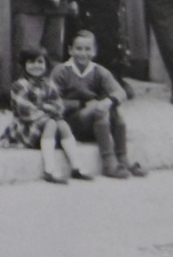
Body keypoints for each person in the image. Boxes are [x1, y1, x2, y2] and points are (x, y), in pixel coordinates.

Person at [51, 30, 147, 179]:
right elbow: (52, 101)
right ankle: (109, 162)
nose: (83, 53)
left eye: (88, 49)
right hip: (71, 124)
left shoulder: (98, 71)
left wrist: (109, 101)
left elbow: (120, 92)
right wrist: (82, 104)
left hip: (94, 121)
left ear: (94, 51)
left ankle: (123, 159)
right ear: (70, 50)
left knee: (115, 112)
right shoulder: (62, 71)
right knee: (99, 110)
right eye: (78, 49)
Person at [0, 45, 87, 184]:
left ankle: (77, 167)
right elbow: (26, 111)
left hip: (44, 129)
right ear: (24, 65)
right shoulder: (20, 86)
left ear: (46, 64)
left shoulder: (47, 84)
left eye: (40, 62)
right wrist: (48, 111)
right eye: (31, 62)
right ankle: (49, 170)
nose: (36, 66)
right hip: (26, 129)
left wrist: (44, 108)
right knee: (52, 122)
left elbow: (58, 105)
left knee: (62, 123)